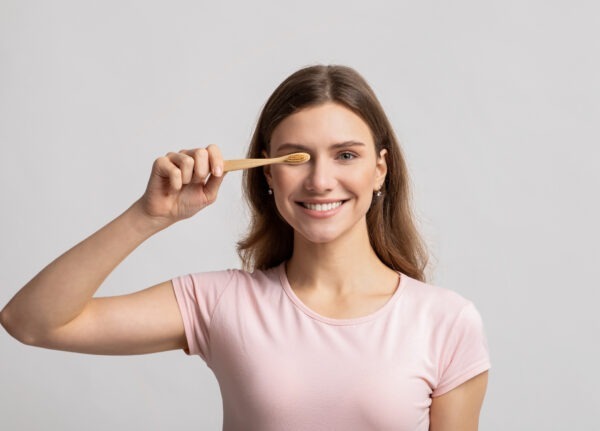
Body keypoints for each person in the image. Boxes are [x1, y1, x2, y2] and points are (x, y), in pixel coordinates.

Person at [0, 65, 490, 430]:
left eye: (345, 155)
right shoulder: (221, 304)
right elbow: (31, 321)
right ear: (269, 175)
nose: (321, 181)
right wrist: (148, 216)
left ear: (379, 170)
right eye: (295, 159)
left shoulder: (446, 322)